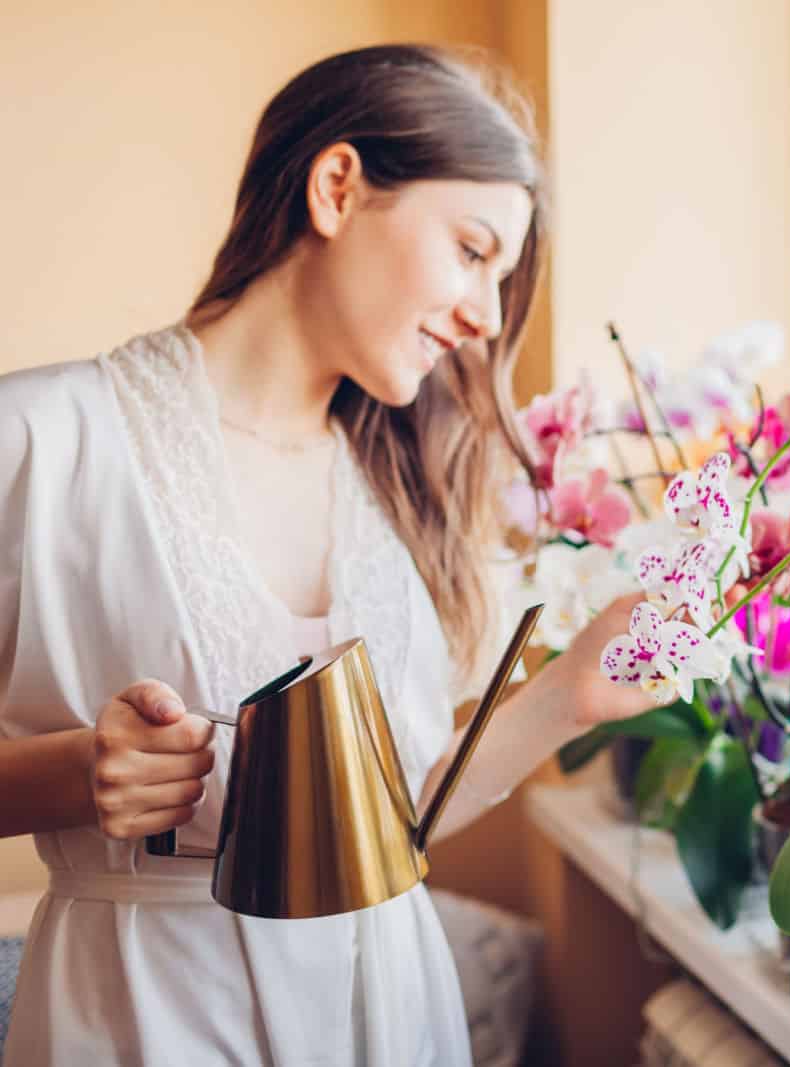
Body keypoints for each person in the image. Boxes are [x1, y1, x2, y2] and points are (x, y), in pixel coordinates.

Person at [0, 43, 654, 1065]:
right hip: (144, 1013)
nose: (487, 315)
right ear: (338, 186)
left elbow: (396, 820)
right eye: (473, 249)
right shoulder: (38, 441)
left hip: (391, 1009)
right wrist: (74, 772)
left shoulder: (401, 487)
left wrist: (574, 691)